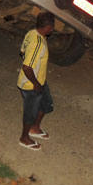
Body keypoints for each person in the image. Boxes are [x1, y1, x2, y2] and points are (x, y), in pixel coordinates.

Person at [17, 12, 55, 151]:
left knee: (46, 104)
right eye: (51, 27)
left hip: (40, 80)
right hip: (31, 84)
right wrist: (36, 83)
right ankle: (24, 138)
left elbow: (22, 51)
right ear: (47, 26)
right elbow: (27, 67)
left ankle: (35, 128)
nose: (52, 30)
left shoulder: (32, 33)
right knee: (30, 112)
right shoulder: (38, 44)